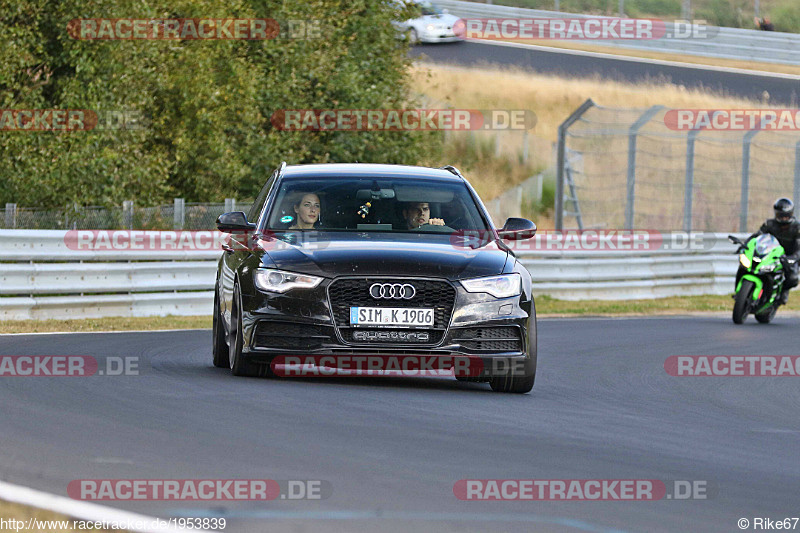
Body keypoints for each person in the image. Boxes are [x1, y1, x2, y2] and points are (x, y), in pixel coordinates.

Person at [745, 198, 800, 305]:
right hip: (771, 252)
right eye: (781, 215)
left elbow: (799, 246)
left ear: (791, 214)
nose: (783, 218)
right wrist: (746, 244)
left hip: (789, 256)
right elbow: (757, 236)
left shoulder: (797, 228)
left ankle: (783, 292)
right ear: (776, 213)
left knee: (792, 278)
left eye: (786, 215)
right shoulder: (769, 224)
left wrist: (794, 257)